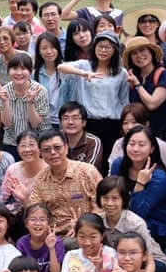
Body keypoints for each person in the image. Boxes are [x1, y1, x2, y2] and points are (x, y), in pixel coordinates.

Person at [58, 30, 130, 165]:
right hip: (88, 122)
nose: (103, 50)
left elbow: (124, 100)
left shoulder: (121, 73)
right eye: (100, 46)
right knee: (87, 162)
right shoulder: (84, 65)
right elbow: (61, 67)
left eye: (108, 47)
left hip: (112, 123)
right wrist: (83, 74)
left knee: (108, 162)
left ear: (115, 50)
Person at [113, 125, 166, 251]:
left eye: (141, 145)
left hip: (160, 225)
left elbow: (138, 213)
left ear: (152, 148)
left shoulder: (160, 177)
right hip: (126, 216)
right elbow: (111, 192)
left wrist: (140, 183)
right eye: (132, 144)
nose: (135, 149)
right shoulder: (118, 164)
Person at [28, 130, 102, 238]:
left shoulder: (87, 172)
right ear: (41, 154)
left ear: (66, 148)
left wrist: (83, 225)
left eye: (57, 147)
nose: (53, 152)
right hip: (52, 235)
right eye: (46, 150)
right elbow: (36, 210)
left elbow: (100, 206)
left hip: (84, 232)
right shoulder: (41, 178)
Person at [96, 176, 166, 272]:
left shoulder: (135, 223)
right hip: (120, 261)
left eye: (115, 198)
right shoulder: (98, 220)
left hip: (146, 260)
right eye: (105, 198)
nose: (110, 203)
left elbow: (149, 259)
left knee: (159, 269)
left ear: (123, 200)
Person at [0, 54, 50, 156]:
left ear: (30, 71)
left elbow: (35, 124)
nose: (19, 73)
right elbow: (7, 123)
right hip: (12, 141)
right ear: (8, 71)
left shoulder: (40, 90)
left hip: (37, 141)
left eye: (23, 68)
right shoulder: (3, 91)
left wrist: (30, 103)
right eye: (14, 68)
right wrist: (5, 101)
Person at [124, 36, 166, 138]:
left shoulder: (165, 75)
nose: (139, 55)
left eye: (142, 50)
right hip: (140, 135)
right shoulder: (134, 77)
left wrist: (137, 84)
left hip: (163, 135)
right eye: (134, 53)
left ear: (151, 52)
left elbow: (152, 104)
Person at [15, 203, 64, 272]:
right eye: (33, 219)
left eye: (42, 219)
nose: (37, 223)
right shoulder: (22, 243)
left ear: (49, 223)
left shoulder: (57, 242)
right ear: (26, 223)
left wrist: (51, 248)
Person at [59, 101, 103, 172]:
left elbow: (90, 171)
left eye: (75, 118)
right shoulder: (56, 139)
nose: (70, 122)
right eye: (66, 118)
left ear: (84, 122)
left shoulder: (93, 141)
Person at [34, 31, 64, 127]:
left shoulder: (67, 71)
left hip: (64, 122)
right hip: (43, 123)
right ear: (39, 51)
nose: (49, 51)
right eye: (44, 48)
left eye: (53, 47)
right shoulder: (34, 75)